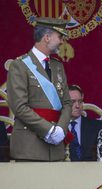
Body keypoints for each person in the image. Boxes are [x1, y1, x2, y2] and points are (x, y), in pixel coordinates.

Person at [6, 17, 72, 161]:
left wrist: (60, 129)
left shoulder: (57, 66)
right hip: (30, 147)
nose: (62, 41)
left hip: (56, 148)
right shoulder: (19, 65)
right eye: (60, 37)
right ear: (47, 37)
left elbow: (67, 103)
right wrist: (49, 130)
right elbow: (19, 107)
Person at [66, 85, 102, 161]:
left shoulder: (96, 126)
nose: (77, 106)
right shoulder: (56, 126)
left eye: (80, 101)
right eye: (73, 102)